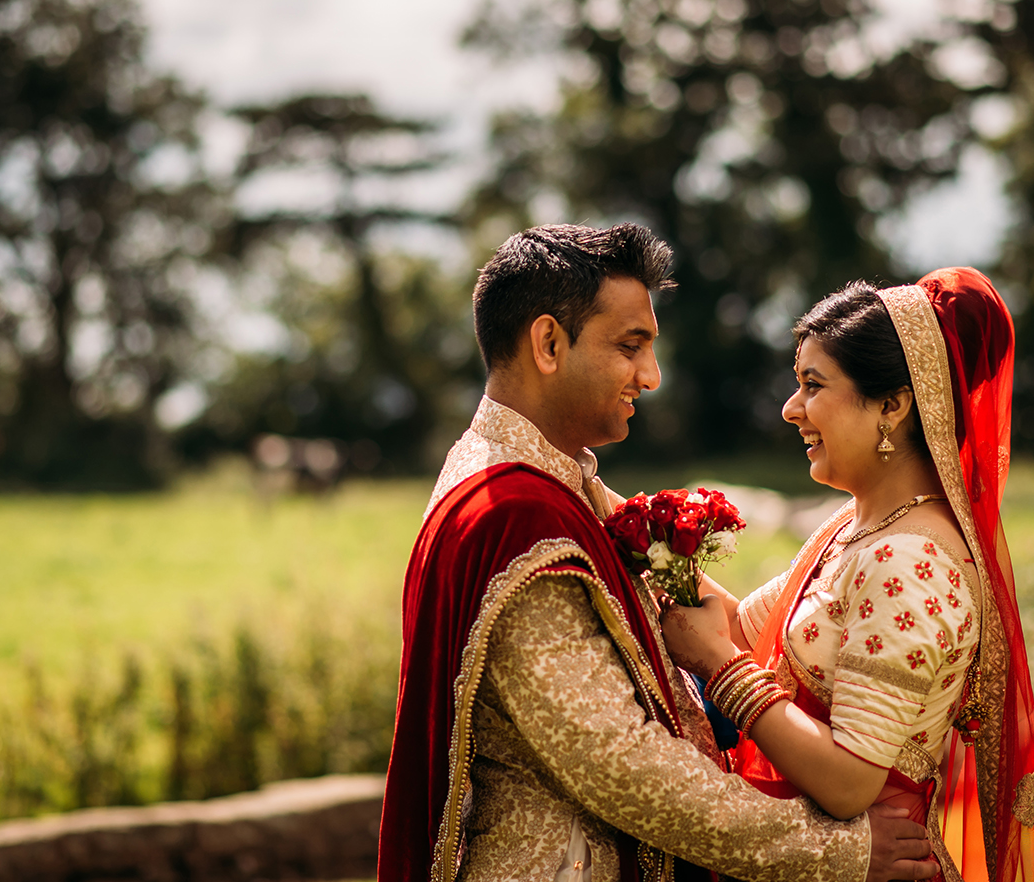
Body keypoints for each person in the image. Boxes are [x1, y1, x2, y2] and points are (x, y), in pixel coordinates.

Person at [378, 223, 939, 882]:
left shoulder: (550, 479)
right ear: (548, 343)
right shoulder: (516, 519)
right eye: (630, 346)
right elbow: (622, 763)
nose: (651, 375)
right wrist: (836, 851)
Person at [659, 269, 1034, 882]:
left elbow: (849, 782)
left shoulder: (911, 562)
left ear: (892, 405)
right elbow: (739, 628)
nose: (791, 409)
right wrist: (635, 530)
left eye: (813, 385)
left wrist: (720, 671)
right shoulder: (857, 527)